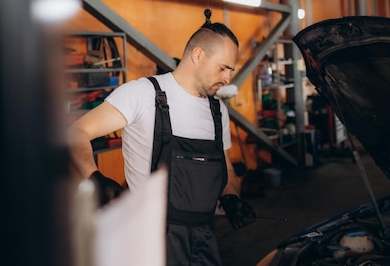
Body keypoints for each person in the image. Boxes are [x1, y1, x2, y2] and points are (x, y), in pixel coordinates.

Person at [68, 15, 256, 266]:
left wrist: (231, 196)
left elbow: (226, 168)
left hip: (204, 240)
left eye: (231, 71)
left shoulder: (217, 110)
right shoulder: (142, 94)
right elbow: (76, 133)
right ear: (198, 55)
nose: (227, 79)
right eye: (223, 68)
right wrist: (95, 178)